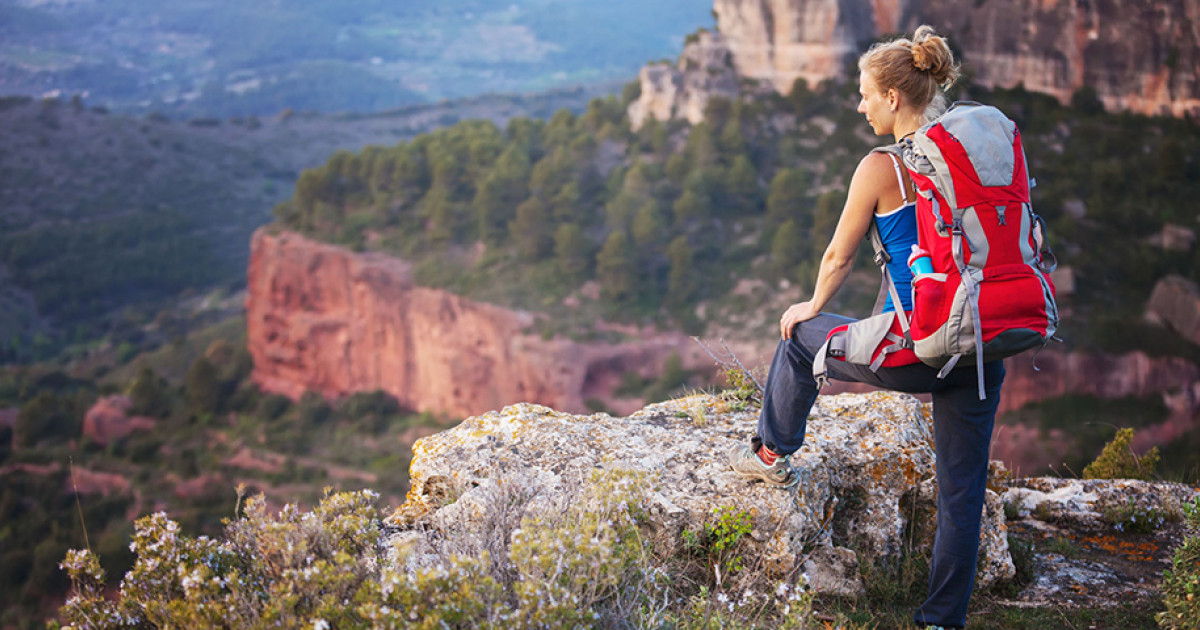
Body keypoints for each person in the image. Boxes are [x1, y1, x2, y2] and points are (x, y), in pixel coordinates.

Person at [727, 26, 1004, 630]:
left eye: (866, 94)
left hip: (920, 353)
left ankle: (771, 452)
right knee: (961, 493)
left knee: (799, 339)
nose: (860, 104)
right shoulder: (970, 156)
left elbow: (839, 257)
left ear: (895, 99)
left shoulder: (883, 168)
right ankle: (941, 621)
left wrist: (810, 305)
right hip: (985, 343)